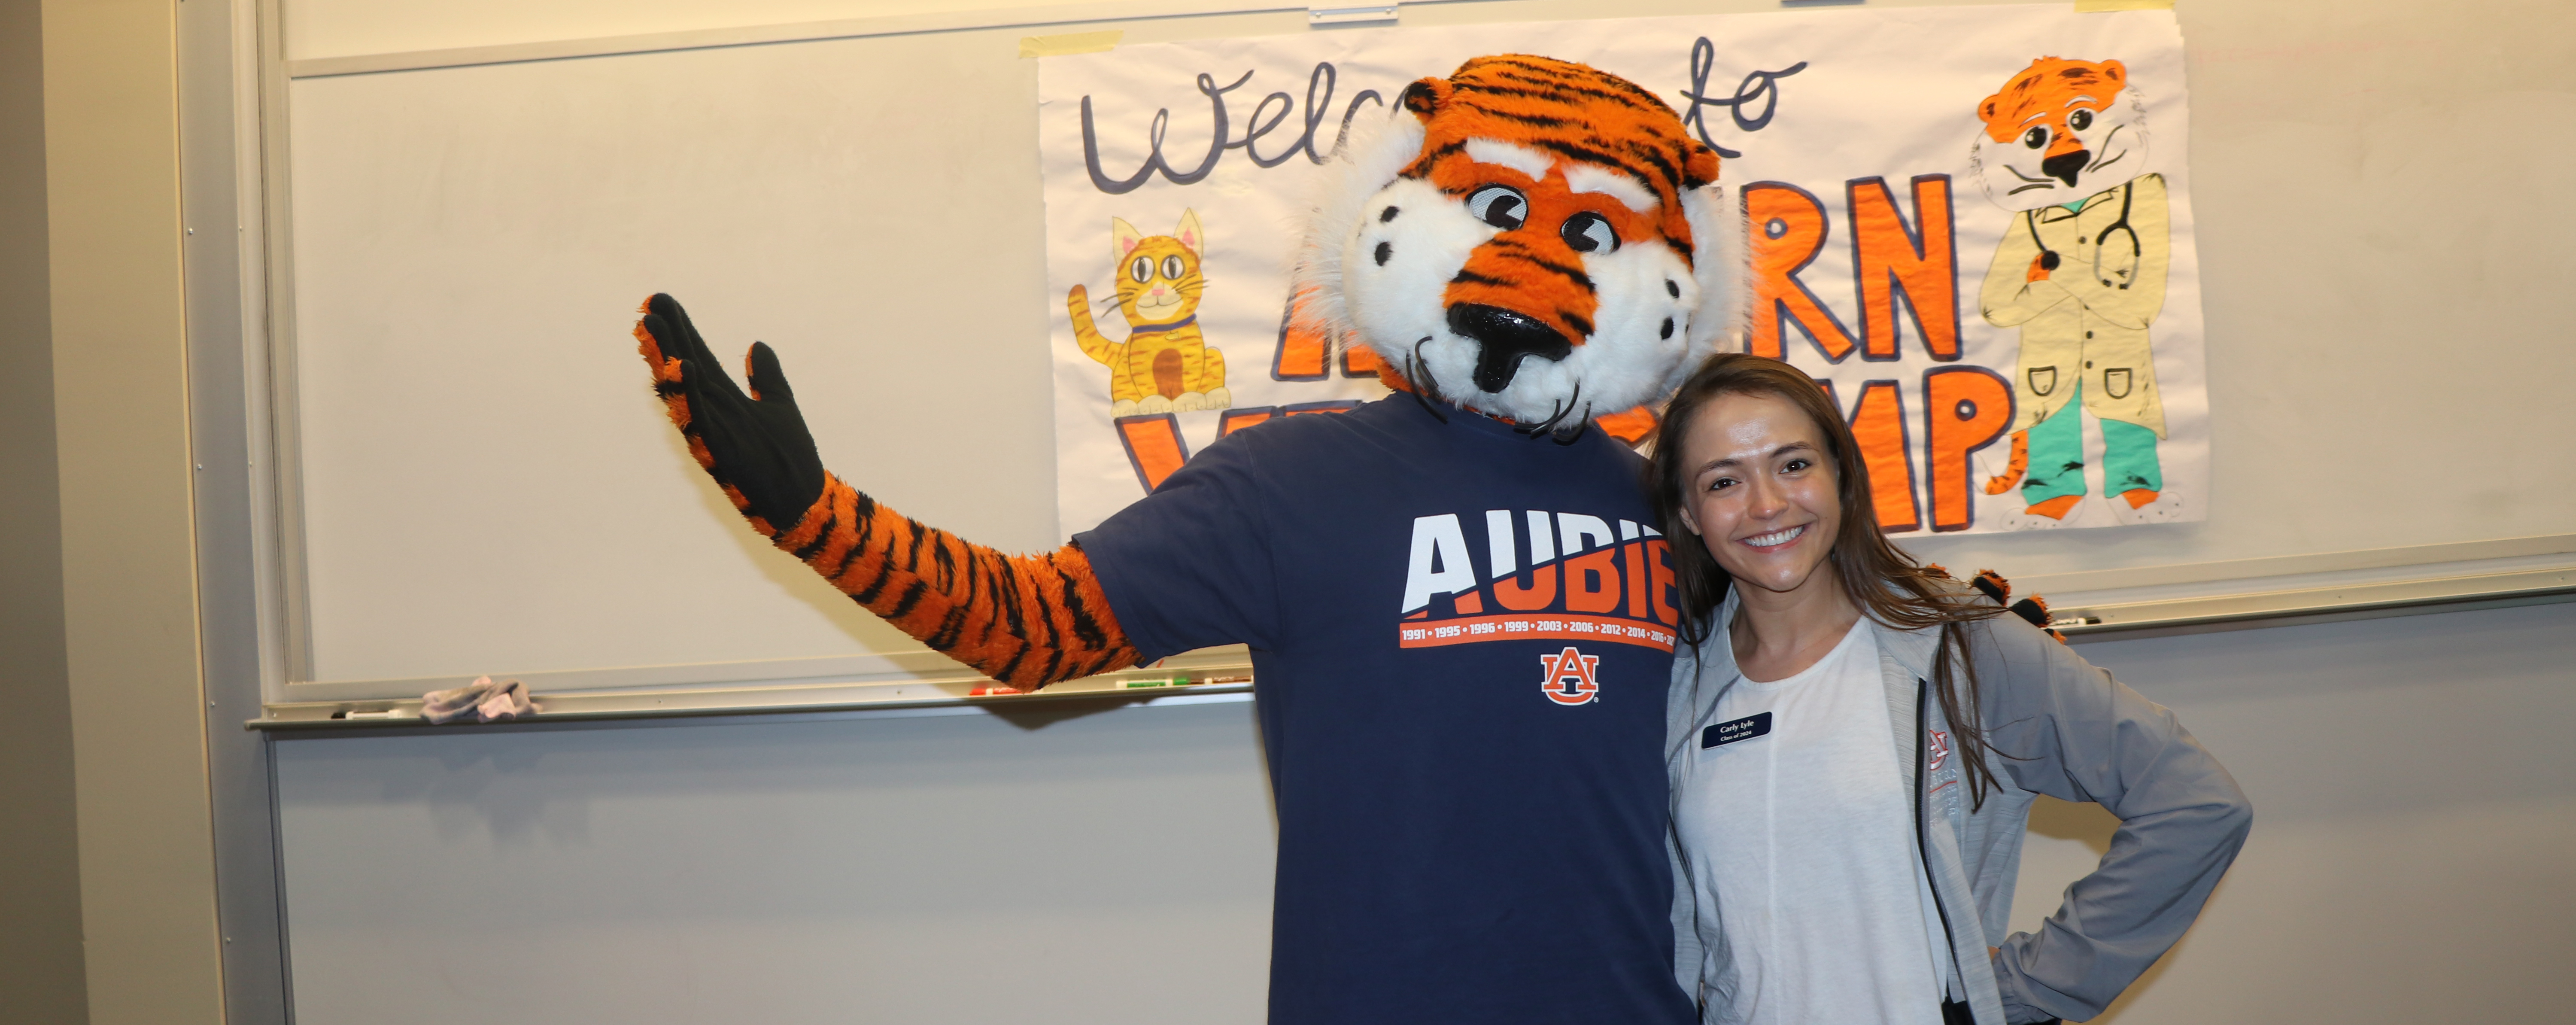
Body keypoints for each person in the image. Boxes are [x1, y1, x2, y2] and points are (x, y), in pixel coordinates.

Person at [1646, 353, 2251, 1025]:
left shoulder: (1959, 643)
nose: (1767, 504)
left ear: (1840, 475)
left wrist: (2027, 987)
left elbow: (2196, 803)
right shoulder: (1673, 683)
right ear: (1689, 512)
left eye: (1793, 465)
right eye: (1725, 481)